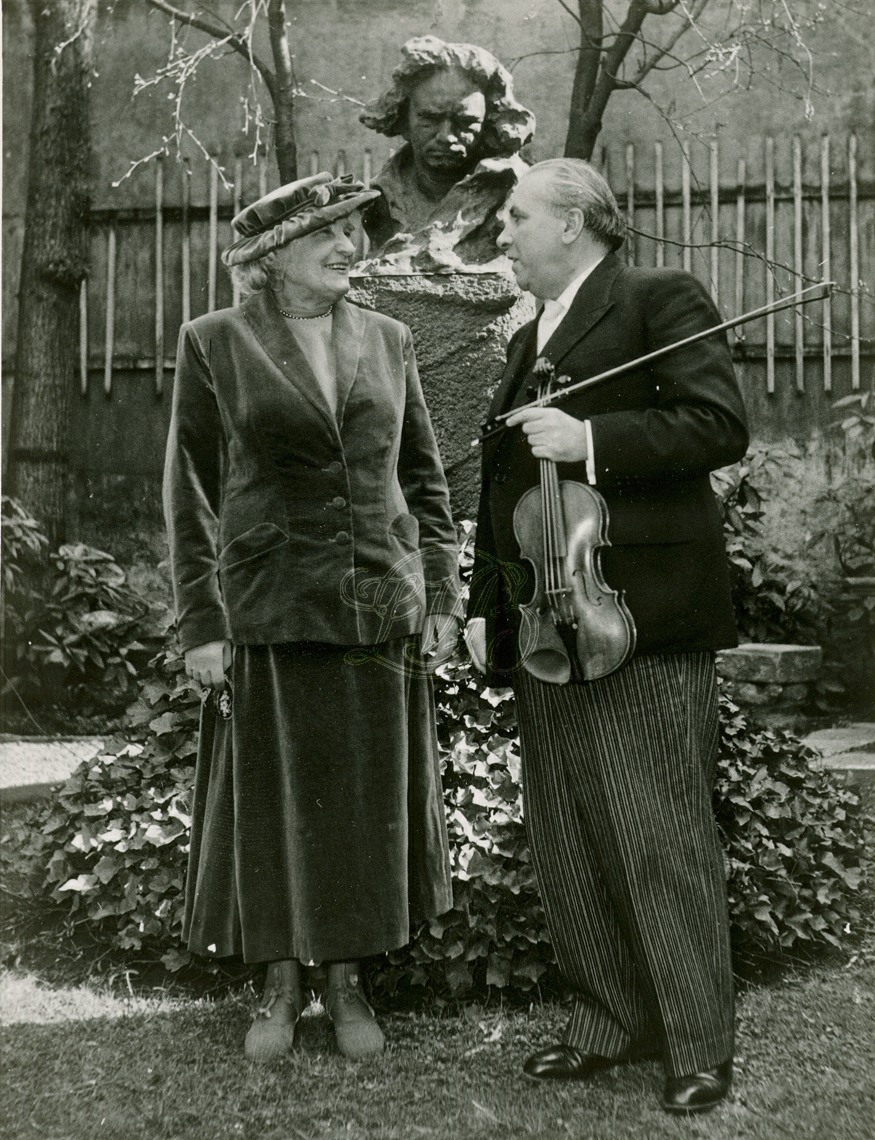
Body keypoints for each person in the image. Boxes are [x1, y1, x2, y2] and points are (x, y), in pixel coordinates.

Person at [465, 158, 749, 1115]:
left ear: (576, 223)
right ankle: (604, 1020)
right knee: (571, 832)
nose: (502, 233)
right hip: (551, 619)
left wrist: (590, 440)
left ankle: (694, 1040)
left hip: (643, 614)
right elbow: (498, 490)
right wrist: (484, 606)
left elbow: (715, 423)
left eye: (516, 216)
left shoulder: (657, 298)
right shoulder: (527, 335)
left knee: (658, 831)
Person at [163, 172, 463, 1063]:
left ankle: (347, 977)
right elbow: (190, 491)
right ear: (270, 257)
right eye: (328, 234)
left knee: (365, 799)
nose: (351, 247)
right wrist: (203, 623)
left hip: (379, 603)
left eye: (354, 232)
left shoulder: (391, 337)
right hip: (271, 604)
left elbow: (424, 480)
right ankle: (280, 981)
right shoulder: (213, 343)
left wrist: (440, 591)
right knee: (275, 802)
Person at [359, 35, 534, 266]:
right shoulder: (379, 198)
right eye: (429, 119)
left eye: (466, 122)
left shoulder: (518, 191)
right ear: (402, 117)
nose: (446, 136)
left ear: (489, 122)